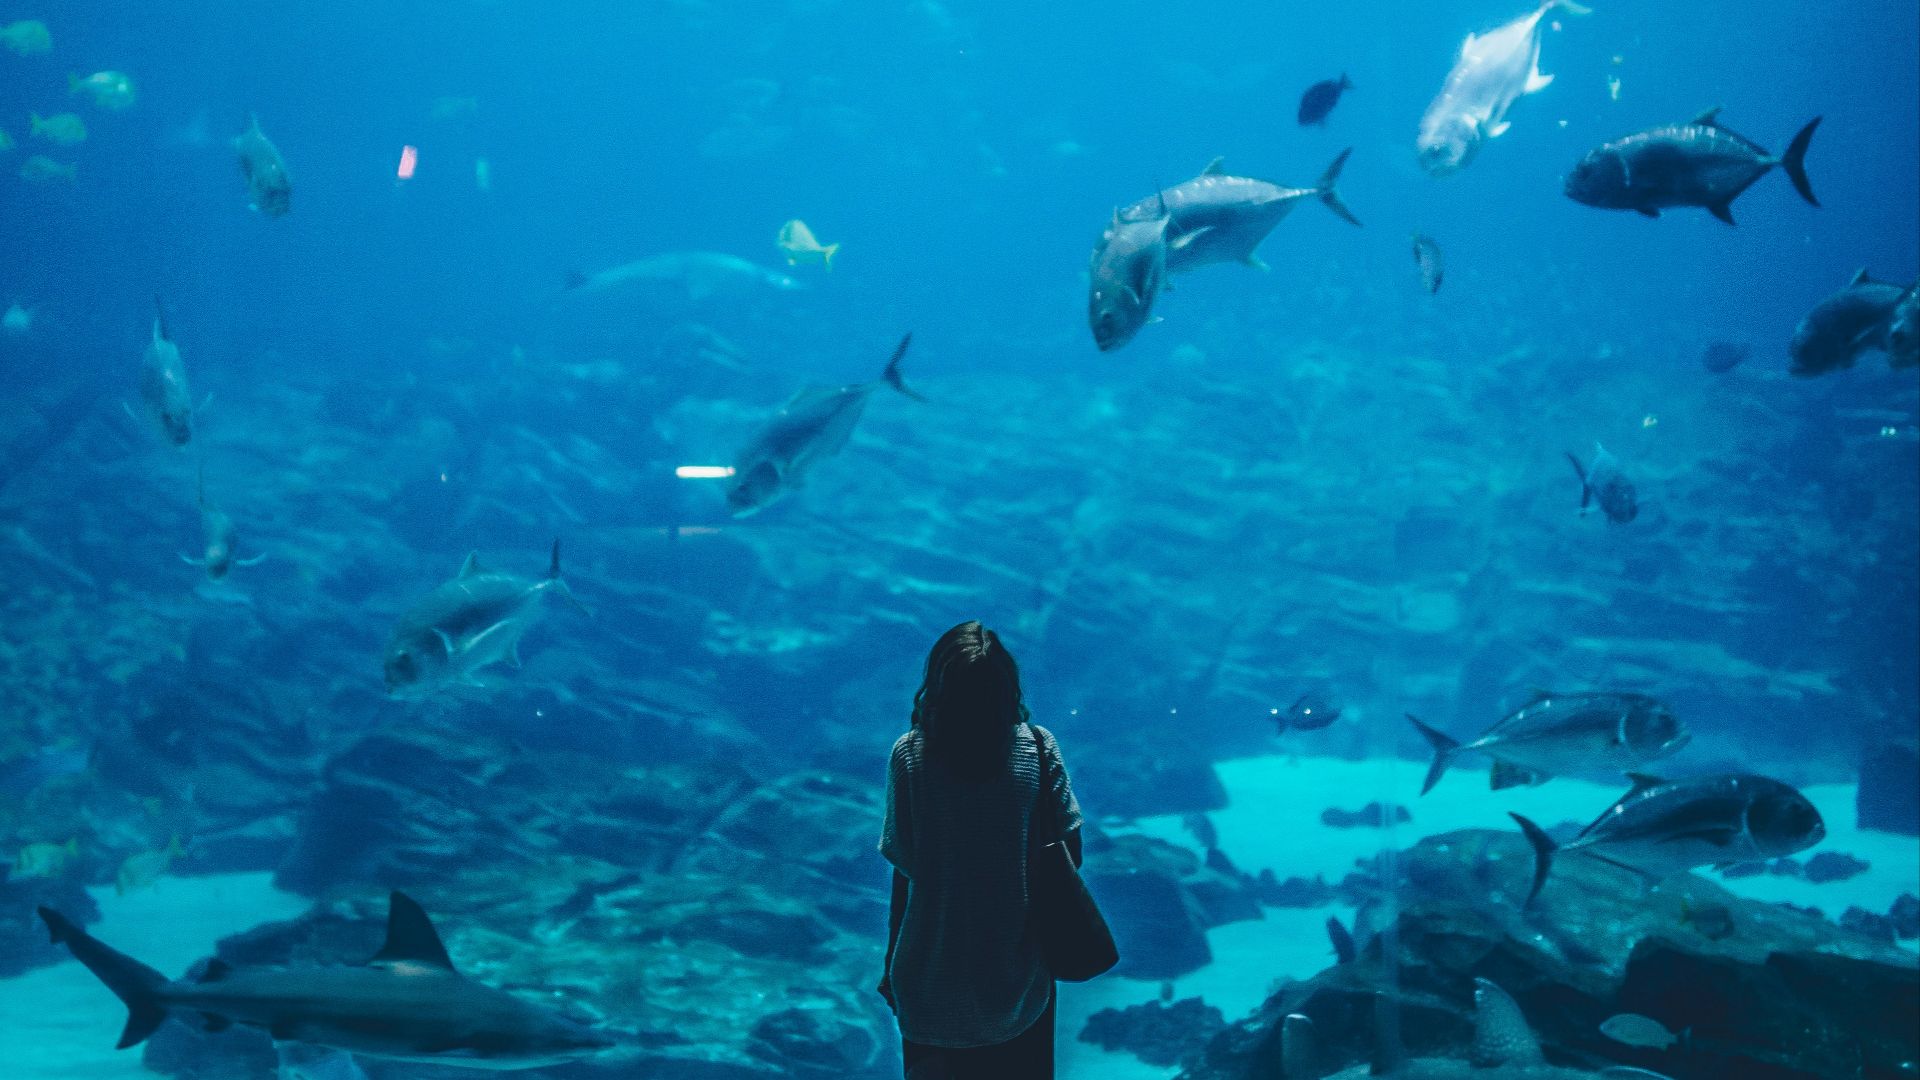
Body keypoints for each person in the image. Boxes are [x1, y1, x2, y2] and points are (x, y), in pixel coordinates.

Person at [878, 620, 1083, 1079]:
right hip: (1018, 973)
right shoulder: (1037, 746)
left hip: (928, 972)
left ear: (939, 686)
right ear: (1006, 686)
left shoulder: (910, 756)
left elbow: (903, 872)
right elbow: (1072, 853)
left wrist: (890, 964)